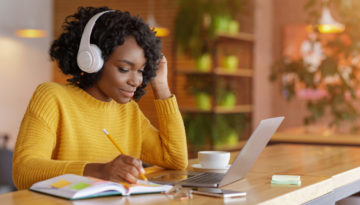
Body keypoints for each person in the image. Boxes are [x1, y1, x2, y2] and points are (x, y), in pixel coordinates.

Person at [12, 6, 188, 190]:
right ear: (92, 60)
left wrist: (160, 85)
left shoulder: (129, 111)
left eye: (142, 71)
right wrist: (99, 171)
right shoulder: (52, 97)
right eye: (124, 69)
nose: (136, 81)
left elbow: (176, 160)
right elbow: (24, 171)